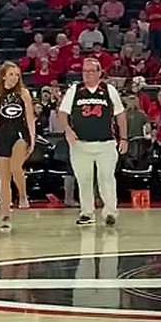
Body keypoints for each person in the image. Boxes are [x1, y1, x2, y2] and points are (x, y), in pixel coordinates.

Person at [58, 58, 128, 226]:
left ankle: (110, 212)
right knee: (84, 179)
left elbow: (120, 115)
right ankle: (87, 212)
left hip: (106, 143)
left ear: (99, 73)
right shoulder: (74, 90)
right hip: (80, 144)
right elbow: (62, 113)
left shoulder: (109, 90)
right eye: (84, 71)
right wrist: (67, 130)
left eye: (91, 71)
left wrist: (124, 137)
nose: (87, 74)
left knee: (106, 178)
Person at [0, 61, 35, 231]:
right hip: (2, 135)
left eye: (17, 75)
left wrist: (33, 139)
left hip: (20, 134)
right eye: (11, 74)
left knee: (16, 167)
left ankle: (22, 195)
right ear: (4, 75)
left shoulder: (23, 93)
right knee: (4, 177)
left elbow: (29, 118)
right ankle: (5, 213)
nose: (14, 78)